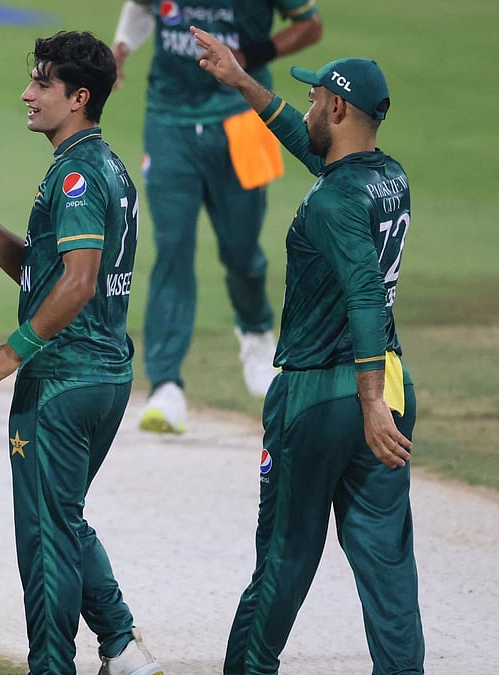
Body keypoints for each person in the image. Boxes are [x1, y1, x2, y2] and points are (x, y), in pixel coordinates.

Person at [192, 27, 422, 674]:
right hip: (392, 386)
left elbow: (366, 296)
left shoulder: (332, 200)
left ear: (341, 110)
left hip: (321, 393)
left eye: (317, 98)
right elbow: (312, 143)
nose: (312, 107)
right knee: (387, 564)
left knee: (284, 559)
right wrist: (243, 83)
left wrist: (367, 400)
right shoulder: (386, 178)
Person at [0, 31, 163, 675]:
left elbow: (78, 280)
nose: (27, 93)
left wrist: (14, 350)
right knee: (62, 517)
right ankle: (121, 646)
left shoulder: (76, 173)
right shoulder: (108, 166)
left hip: (64, 381)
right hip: (105, 375)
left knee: (44, 538)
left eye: (42, 83)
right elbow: (44, 273)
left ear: (80, 97)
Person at [111, 0, 322, 433]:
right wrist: (121, 48)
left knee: (241, 249)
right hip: (169, 120)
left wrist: (251, 57)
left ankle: (256, 331)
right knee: (172, 249)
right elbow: (140, 6)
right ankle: (165, 386)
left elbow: (310, 25)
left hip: (243, 116)